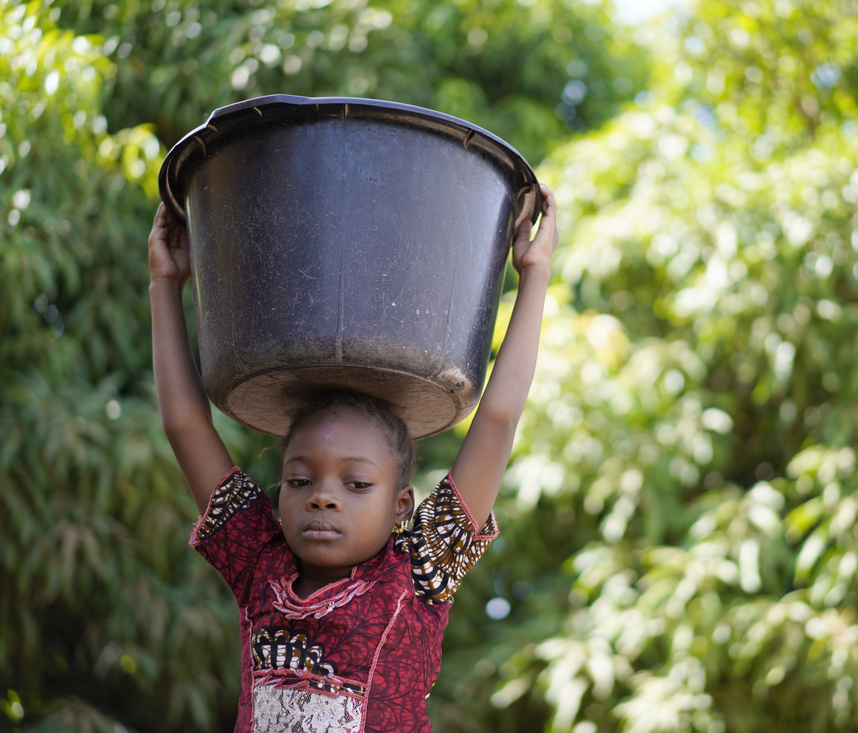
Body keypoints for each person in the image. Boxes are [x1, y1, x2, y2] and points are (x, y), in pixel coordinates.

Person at [147, 185, 558, 732]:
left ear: (400, 505)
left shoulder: (417, 574)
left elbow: (499, 420)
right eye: (299, 480)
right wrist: (164, 284)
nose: (322, 495)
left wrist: (534, 274)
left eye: (357, 484)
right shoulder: (257, 565)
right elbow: (184, 424)